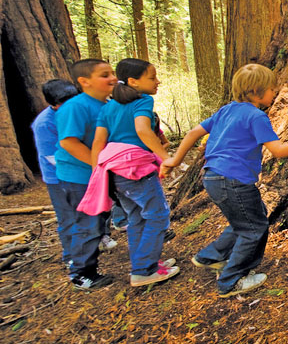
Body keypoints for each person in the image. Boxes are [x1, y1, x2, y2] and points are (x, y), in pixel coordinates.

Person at [160, 64, 288, 298]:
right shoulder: (256, 116)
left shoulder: (226, 110)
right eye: (272, 89)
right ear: (256, 92)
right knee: (254, 228)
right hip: (233, 180)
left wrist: (174, 159)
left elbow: (192, 133)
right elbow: (278, 150)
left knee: (251, 216)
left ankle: (211, 256)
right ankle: (231, 280)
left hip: (212, 177)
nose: (275, 93)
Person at [86, 59, 179, 287]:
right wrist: (167, 158)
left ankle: (144, 263)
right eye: (152, 78)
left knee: (136, 217)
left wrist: (97, 172)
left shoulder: (108, 107)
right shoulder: (143, 100)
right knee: (157, 215)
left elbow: (98, 142)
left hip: (113, 171)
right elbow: (142, 130)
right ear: (133, 81)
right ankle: (145, 269)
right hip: (135, 169)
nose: (158, 82)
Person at [55, 59, 118, 289]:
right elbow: (69, 142)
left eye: (112, 73)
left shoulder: (109, 104)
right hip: (79, 176)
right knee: (88, 223)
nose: (112, 78)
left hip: (101, 172)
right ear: (84, 81)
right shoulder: (75, 107)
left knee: (99, 220)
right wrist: (96, 165)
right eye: (104, 75)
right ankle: (81, 273)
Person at [31, 79, 79, 267]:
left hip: (80, 171)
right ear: (53, 103)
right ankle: (71, 256)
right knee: (67, 216)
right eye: (64, 103)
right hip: (58, 177)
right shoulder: (44, 124)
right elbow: (53, 157)